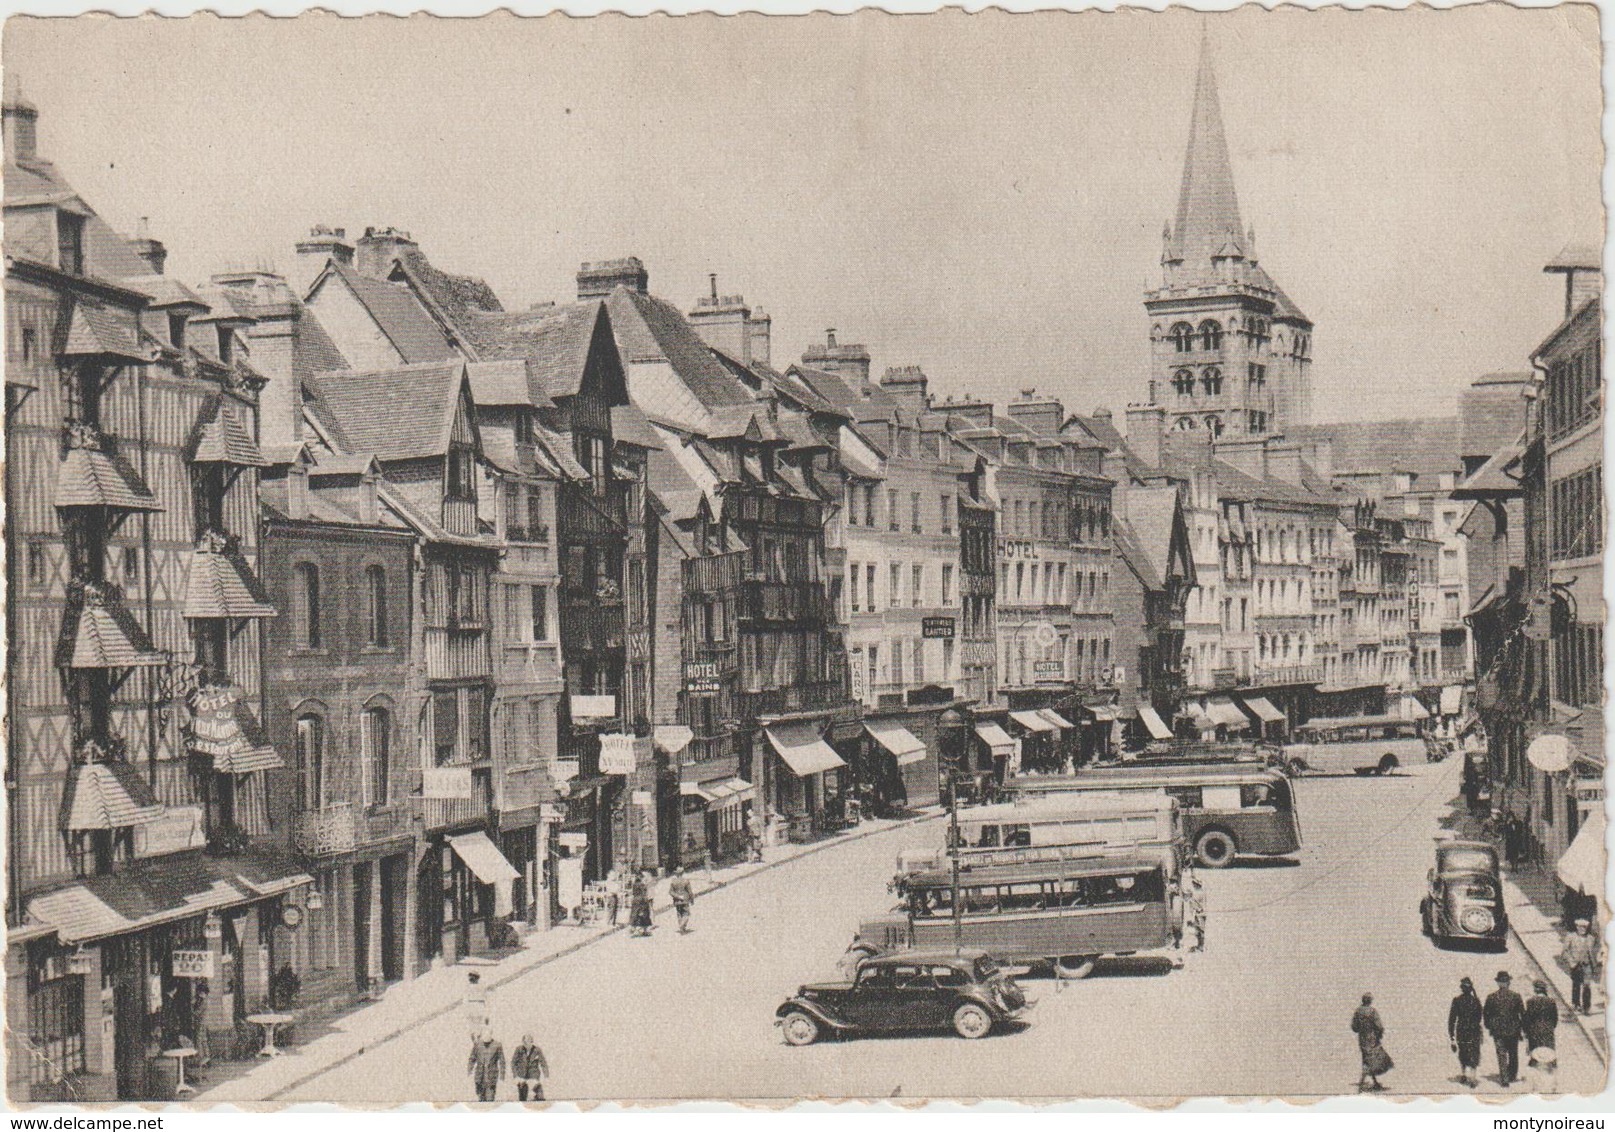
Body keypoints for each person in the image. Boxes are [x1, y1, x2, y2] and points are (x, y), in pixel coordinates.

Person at [1483, 970, 1525, 1086]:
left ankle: (1504, 1079)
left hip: (1498, 1030)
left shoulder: (1491, 997)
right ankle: (1512, 1075)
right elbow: (1522, 1014)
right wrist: (1522, 1028)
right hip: (1513, 1030)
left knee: (1501, 1054)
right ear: (1508, 983)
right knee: (1513, 1053)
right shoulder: (1516, 996)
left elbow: (1486, 1013)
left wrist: (1489, 1026)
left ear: (1498, 983)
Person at [1447, 976, 1484, 1088]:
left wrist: (1452, 1037)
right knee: (1474, 1053)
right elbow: (1479, 1017)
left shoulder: (1457, 1000)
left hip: (1461, 1031)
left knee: (1463, 1053)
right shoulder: (1476, 1001)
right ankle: (1472, 1077)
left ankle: (1464, 1074)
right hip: (1474, 1031)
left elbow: (1452, 1019)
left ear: (1462, 988)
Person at [1350, 993, 1391, 1092]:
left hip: (1362, 1038)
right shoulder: (1372, 1011)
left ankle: (1370, 1082)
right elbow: (1379, 1025)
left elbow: (1354, 1027)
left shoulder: (1358, 1011)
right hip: (1372, 1038)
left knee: (1366, 1058)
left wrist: (1361, 1029)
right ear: (1370, 1001)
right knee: (1374, 1058)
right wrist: (1380, 1033)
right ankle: (1365, 1082)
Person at [1562, 918, 1601, 1015]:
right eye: (1581, 927)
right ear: (1577, 927)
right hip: (1575, 965)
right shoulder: (1571, 937)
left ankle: (1586, 1007)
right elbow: (1565, 952)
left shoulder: (1591, 938)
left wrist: (1594, 965)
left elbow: (1594, 951)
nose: (1582, 929)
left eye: (1584, 927)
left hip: (1587, 965)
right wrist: (1571, 961)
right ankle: (1576, 1003)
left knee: (1587, 985)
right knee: (1576, 984)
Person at [467, 1027, 505, 1103]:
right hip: (479, 1078)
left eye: (488, 1035)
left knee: (490, 1100)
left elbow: (502, 1061)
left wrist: (502, 1075)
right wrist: (469, 1070)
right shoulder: (477, 1045)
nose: (486, 1037)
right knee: (480, 1100)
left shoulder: (497, 1045)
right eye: (484, 1035)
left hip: (491, 1078)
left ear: (491, 1035)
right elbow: (472, 1058)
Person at [511, 1033, 549, 1102]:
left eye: (529, 1042)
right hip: (521, 1077)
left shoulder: (537, 1050)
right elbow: (513, 1063)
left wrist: (546, 1076)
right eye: (525, 1042)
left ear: (532, 1042)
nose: (527, 1044)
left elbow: (543, 1063)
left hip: (534, 1077)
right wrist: (516, 1076)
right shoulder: (518, 1049)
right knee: (523, 1099)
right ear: (523, 1042)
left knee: (540, 1096)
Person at [1523, 979, 1559, 1053]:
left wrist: (1526, 1033)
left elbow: (1527, 1019)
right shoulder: (1551, 1001)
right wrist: (1550, 1027)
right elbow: (1555, 1018)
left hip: (1534, 1031)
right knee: (1549, 1053)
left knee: (1535, 1054)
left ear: (1535, 989)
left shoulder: (1530, 1001)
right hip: (1548, 1030)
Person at [464, 971, 492, 1037]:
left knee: (478, 1025)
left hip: (478, 1005)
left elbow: (486, 1000)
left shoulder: (481, 987)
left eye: (472, 977)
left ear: (476, 978)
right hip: (472, 1005)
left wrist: (487, 1014)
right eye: (470, 977)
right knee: (472, 1024)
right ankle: (474, 1038)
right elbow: (465, 999)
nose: (471, 979)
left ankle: (477, 1038)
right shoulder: (467, 987)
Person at [668, 867, 695, 934]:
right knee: (686, 913)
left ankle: (682, 929)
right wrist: (692, 899)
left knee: (679, 914)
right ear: (682, 873)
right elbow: (690, 891)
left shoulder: (673, 881)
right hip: (685, 900)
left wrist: (677, 896)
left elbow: (670, 892)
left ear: (676, 873)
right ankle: (682, 925)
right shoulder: (686, 881)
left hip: (677, 901)